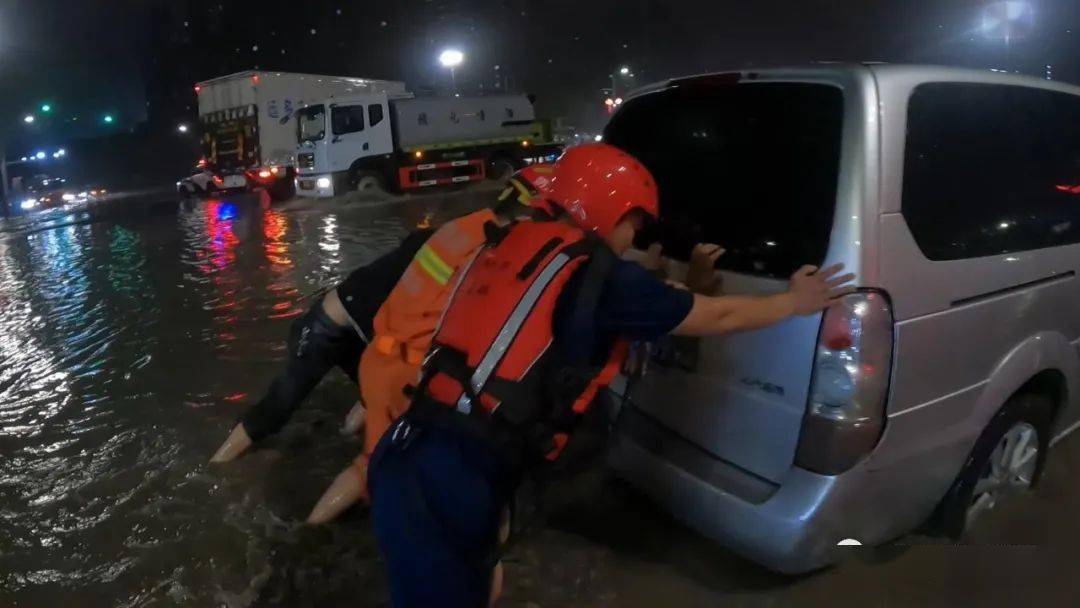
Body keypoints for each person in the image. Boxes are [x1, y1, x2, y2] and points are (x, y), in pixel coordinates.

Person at [366, 143, 856, 607]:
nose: (631, 238)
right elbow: (715, 316)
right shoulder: (596, 275)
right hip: (454, 474)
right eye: (633, 224)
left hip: (413, 447)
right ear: (609, 209)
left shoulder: (510, 243)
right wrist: (793, 302)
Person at [209, 166, 554, 465]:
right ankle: (221, 462)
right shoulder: (463, 247)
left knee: (375, 396)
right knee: (282, 403)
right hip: (328, 328)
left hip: (356, 331)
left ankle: (348, 446)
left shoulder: (445, 238)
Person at [305, 165, 556, 523]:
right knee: (402, 470)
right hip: (405, 372)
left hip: (377, 358)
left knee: (372, 461)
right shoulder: (492, 248)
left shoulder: (461, 226)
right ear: (532, 210)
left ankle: (318, 529)